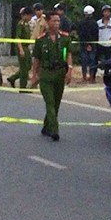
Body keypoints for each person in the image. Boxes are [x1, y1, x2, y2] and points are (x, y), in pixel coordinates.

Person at [30, 11, 73, 141]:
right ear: (48, 22)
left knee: (56, 104)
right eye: (54, 21)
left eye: (58, 21)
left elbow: (68, 55)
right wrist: (34, 75)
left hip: (60, 74)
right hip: (46, 75)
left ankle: (46, 126)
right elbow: (37, 59)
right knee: (50, 102)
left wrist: (69, 70)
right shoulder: (41, 40)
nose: (57, 23)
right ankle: (54, 130)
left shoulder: (65, 38)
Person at [8, 7, 33, 88]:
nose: (30, 18)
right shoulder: (20, 24)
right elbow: (18, 38)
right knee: (24, 68)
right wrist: (21, 49)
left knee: (29, 65)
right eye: (29, 16)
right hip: (21, 47)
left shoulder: (27, 24)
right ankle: (23, 86)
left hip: (26, 47)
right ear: (25, 15)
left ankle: (12, 78)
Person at [77, 5, 99, 83]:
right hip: (92, 44)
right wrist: (90, 44)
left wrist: (86, 44)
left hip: (83, 44)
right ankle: (91, 78)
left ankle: (84, 77)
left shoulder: (81, 23)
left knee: (84, 61)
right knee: (92, 61)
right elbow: (96, 35)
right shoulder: (94, 23)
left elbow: (80, 34)